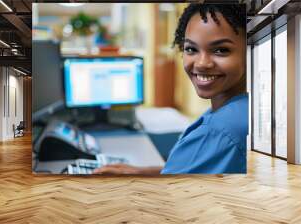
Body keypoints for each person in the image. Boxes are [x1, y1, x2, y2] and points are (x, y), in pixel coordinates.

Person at [93, 3, 248, 174]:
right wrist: (141, 173)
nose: (202, 63)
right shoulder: (237, 108)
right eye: (191, 49)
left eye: (221, 50)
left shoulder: (221, 130)